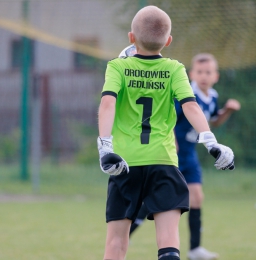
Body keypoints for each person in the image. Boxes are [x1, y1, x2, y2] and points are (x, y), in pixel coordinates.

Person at [97, 6, 234, 260]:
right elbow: (191, 106)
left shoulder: (117, 67)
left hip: (125, 164)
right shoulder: (175, 69)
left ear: (131, 37)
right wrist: (212, 142)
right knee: (169, 246)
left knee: (116, 244)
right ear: (168, 41)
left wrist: (105, 146)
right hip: (164, 163)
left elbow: (108, 104)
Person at [120, 48, 240, 260]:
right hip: (171, 154)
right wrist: (172, 140)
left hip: (189, 156)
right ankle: (122, 237)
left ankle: (195, 250)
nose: (204, 76)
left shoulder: (212, 96)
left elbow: (213, 121)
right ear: (192, 74)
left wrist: (227, 111)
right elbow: (167, 117)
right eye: (200, 72)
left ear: (216, 76)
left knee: (197, 198)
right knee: (152, 201)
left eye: (208, 72)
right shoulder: (186, 92)